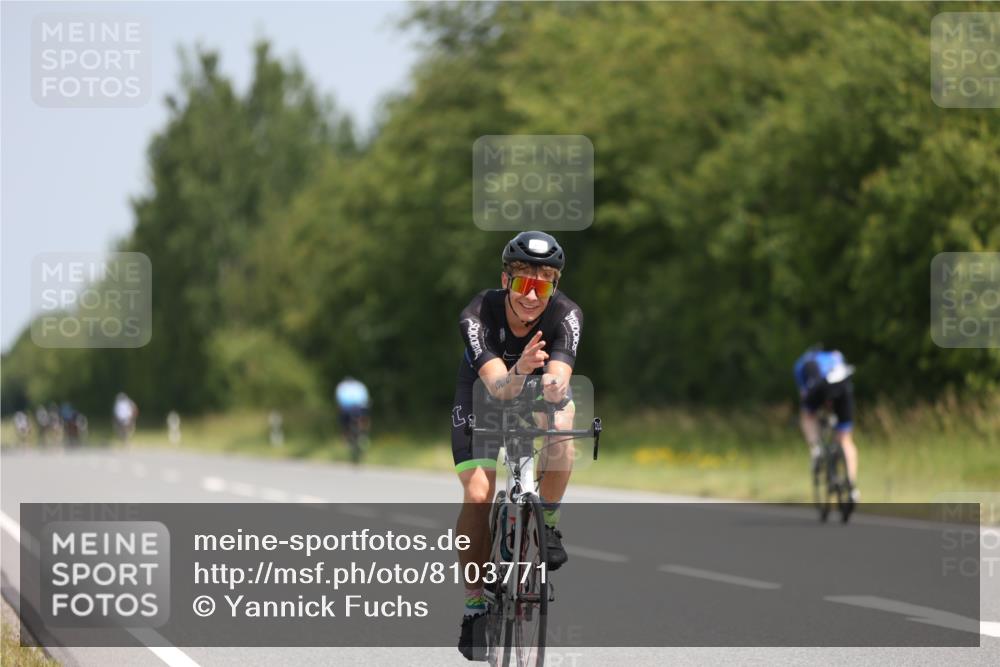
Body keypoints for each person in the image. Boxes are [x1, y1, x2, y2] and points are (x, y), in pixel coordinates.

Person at [452, 230, 583, 661]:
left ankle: (547, 521)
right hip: (484, 393)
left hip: (532, 386)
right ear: (505, 280)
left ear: (554, 287)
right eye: (523, 284)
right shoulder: (478, 314)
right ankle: (475, 605)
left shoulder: (566, 315)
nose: (532, 296)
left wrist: (550, 388)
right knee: (477, 493)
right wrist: (520, 368)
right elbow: (498, 387)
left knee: (563, 428)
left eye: (542, 286)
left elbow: (560, 378)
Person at [793, 345, 860, 503]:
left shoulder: (801, 364)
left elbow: (804, 393)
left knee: (807, 415)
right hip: (843, 387)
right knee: (845, 439)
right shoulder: (836, 356)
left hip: (819, 387)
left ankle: (816, 447)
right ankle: (851, 485)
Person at [335, 376, 370, 452]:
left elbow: (339, 399)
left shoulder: (342, 386)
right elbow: (365, 398)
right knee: (364, 418)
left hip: (347, 409)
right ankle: (363, 434)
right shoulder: (360, 385)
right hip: (360, 408)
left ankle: (346, 440)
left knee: (344, 424)